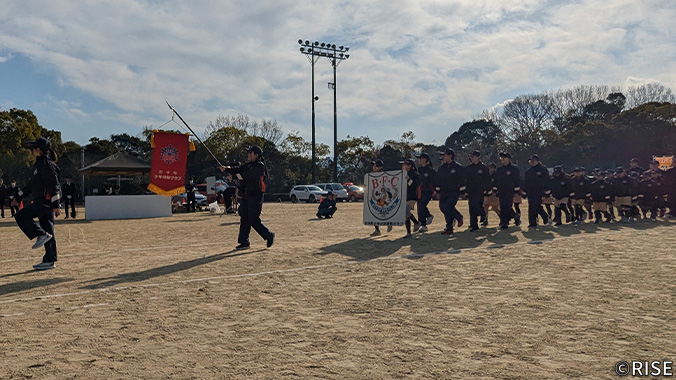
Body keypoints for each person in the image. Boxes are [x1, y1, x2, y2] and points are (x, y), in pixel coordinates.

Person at [13, 137, 62, 271]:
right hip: (44, 202)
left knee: (21, 216)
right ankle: (49, 260)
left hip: (45, 203)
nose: (31, 150)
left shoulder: (46, 165)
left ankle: (40, 234)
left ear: (39, 150)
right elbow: (31, 186)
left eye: (33, 148)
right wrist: (18, 196)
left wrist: (56, 204)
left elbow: (54, 185)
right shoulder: (39, 165)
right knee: (49, 231)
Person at [220, 146, 274, 250]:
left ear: (256, 155)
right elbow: (239, 169)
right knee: (243, 215)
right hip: (247, 194)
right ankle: (244, 241)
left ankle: (269, 235)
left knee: (253, 219)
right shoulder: (248, 165)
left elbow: (247, 175)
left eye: (250, 153)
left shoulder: (259, 166)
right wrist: (227, 169)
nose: (248, 155)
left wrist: (234, 176)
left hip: (256, 195)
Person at [435, 148, 465, 234]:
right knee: (443, 207)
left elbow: (462, 181)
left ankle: (456, 219)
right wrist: (438, 192)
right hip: (444, 191)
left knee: (448, 206)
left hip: (453, 191)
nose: (443, 157)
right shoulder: (442, 168)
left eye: (444, 155)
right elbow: (438, 181)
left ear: (450, 156)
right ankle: (450, 227)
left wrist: (462, 193)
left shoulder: (458, 167)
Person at [464, 150, 491, 231]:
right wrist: (465, 191)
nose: (472, 158)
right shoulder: (468, 168)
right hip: (470, 190)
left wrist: (488, 190)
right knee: (471, 207)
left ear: (478, 157)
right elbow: (466, 180)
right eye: (471, 157)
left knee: (477, 205)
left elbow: (487, 180)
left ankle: (483, 215)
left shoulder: (483, 168)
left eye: (474, 156)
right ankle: (474, 225)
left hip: (480, 190)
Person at [523, 154, 550, 228]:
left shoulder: (543, 169)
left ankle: (544, 216)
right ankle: (532, 222)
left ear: (537, 161)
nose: (531, 162)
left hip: (539, 190)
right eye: (530, 161)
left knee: (537, 205)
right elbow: (526, 182)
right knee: (531, 206)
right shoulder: (528, 171)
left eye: (533, 160)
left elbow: (547, 180)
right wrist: (524, 191)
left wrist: (547, 190)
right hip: (530, 191)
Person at [495, 152, 521, 229]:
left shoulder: (514, 169)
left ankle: (513, 216)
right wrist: (495, 189)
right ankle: (504, 222)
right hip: (501, 190)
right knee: (502, 206)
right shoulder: (500, 169)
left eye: (504, 157)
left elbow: (517, 180)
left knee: (507, 205)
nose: (502, 159)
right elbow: (496, 180)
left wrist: (517, 191)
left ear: (509, 158)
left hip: (510, 190)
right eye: (501, 158)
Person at [369, 159, 391, 236]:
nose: (374, 167)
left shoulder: (384, 175)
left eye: (376, 166)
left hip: (383, 196)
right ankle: (377, 230)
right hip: (375, 196)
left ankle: (388, 223)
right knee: (374, 213)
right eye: (373, 165)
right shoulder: (370, 175)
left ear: (380, 167)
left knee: (384, 211)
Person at [400, 159, 421, 238]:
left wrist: (409, 179)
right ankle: (413, 226)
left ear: (410, 166)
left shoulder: (415, 174)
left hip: (411, 197)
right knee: (406, 214)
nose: (403, 166)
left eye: (405, 164)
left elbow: (415, 186)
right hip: (404, 197)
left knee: (406, 213)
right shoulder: (402, 174)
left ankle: (411, 230)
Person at [416, 153, 436, 233]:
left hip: (428, 191)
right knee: (419, 208)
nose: (419, 160)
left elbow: (434, 181)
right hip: (419, 191)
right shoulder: (419, 169)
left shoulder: (430, 170)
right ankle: (423, 224)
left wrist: (435, 190)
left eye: (420, 158)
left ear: (424, 159)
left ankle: (428, 217)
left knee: (422, 206)